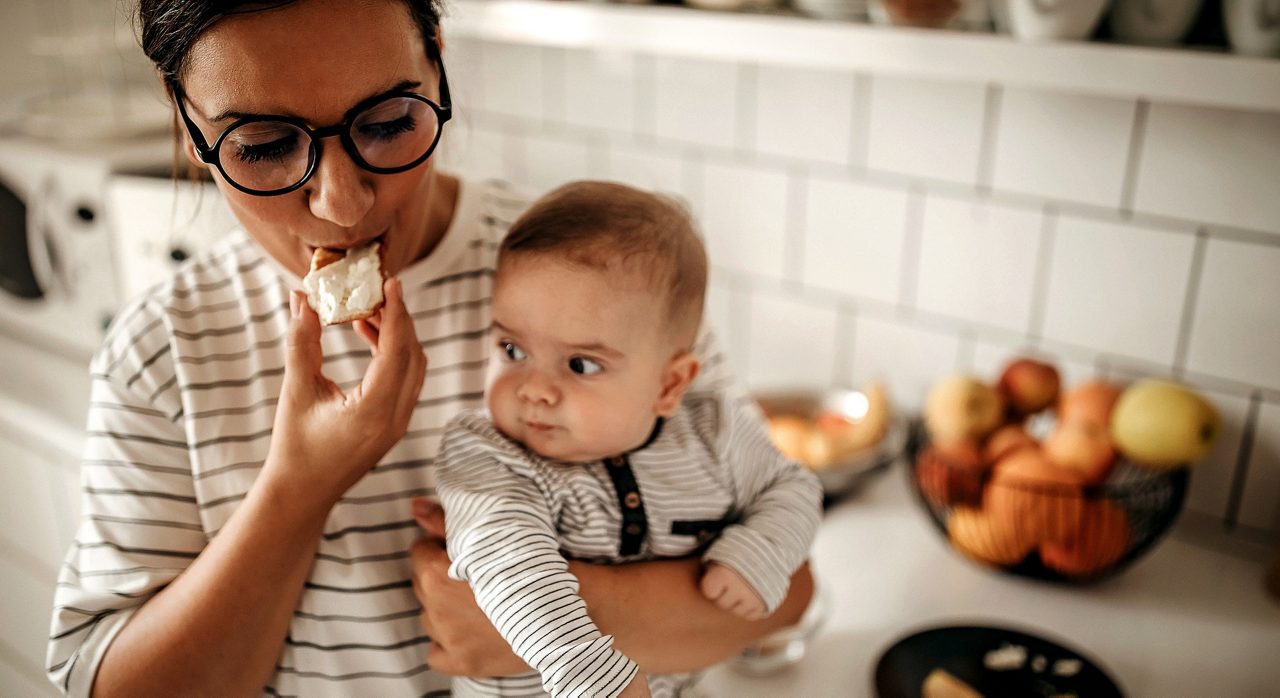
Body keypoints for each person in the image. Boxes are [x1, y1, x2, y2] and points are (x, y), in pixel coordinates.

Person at [44, 1, 814, 696]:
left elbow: (784, 589)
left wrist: (529, 624)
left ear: (437, 61)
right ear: (185, 123)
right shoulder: (159, 353)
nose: (340, 203)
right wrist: (298, 489)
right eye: (265, 146)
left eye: (386, 124)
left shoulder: (597, 274)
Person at [436, 181, 823, 698]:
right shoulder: (487, 455)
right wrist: (594, 677)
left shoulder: (715, 434)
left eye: (580, 364)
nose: (534, 390)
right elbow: (510, 561)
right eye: (512, 348)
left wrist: (759, 552)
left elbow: (794, 486)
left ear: (668, 385)